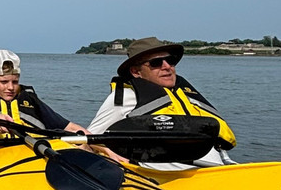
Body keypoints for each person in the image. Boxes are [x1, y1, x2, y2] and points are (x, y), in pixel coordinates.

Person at [88, 37, 237, 170]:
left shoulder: (185, 95)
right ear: (135, 72)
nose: (167, 66)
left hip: (215, 173)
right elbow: (89, 138)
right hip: (171, 182)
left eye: (170, 60)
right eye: (156, 63)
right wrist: (109, 153)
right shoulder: (126, 96)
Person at [0, 50, 90, 140]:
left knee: (83, 144)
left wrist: (104, 148)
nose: (10, 87)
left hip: (40, 153)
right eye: (3, 82)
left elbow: (69, 127)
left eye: (15, 82)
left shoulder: (31, 100)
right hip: (3, 157)